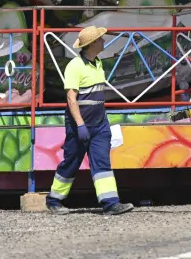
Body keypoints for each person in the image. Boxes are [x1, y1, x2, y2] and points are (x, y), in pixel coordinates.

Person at [46, 25, 133, 216]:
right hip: (81, 125)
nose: (103, 42)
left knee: (102, 162)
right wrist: (80, 125)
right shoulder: (75, 66)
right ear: (92, 44)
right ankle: (54, 200)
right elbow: (71, 98)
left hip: (100, 124)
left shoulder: (98, 63)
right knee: (71, 162)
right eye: (100, 39)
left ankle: (111, 204)